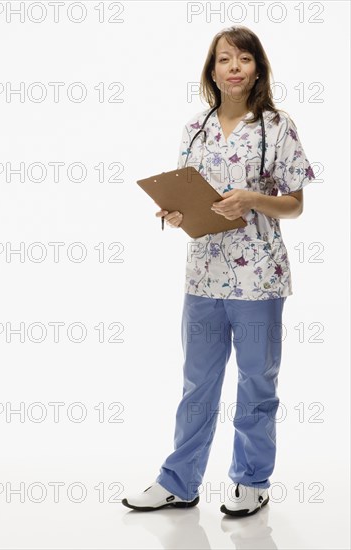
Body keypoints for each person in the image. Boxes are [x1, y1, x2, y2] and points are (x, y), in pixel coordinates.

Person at [121, 25, 315, 517]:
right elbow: (188, 192)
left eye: (244, 59)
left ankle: (252, 482)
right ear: (212, 70)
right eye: (225, 59)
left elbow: (293, 206)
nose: (234, 68)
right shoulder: (196, 127)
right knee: (197, 383)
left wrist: (252, 200)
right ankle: (179, 482)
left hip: (260, 277)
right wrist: (177, 213)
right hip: (204, 274)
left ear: (258, 68)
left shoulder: (278, 126)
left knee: (256, 382)